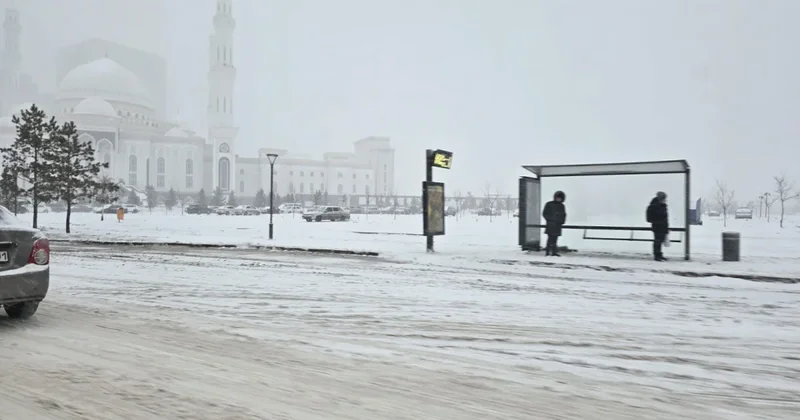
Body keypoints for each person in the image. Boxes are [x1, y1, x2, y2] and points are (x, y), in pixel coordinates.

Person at [542, 190, 566, 256]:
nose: (559, 199)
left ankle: (553, 252)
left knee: (555, 239)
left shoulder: (562, 206)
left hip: (557, 225)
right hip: (551, 225)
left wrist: (562, 221)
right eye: (558, 198)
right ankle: (548, 252)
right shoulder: (549, 204)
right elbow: (545, 213)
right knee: (550, 238)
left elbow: (564, 214)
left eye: (560, 198)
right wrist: (551, 219)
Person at [646, 191, 669, 261]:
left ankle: (659, 254)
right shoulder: (653, 206)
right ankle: (657, 255)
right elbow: (649, 218)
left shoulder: (663, 206)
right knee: (657, 241)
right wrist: (658, 221)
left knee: (660, 241)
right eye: (664, 198)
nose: (665, 200)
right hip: (657, 227)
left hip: (662, 226)